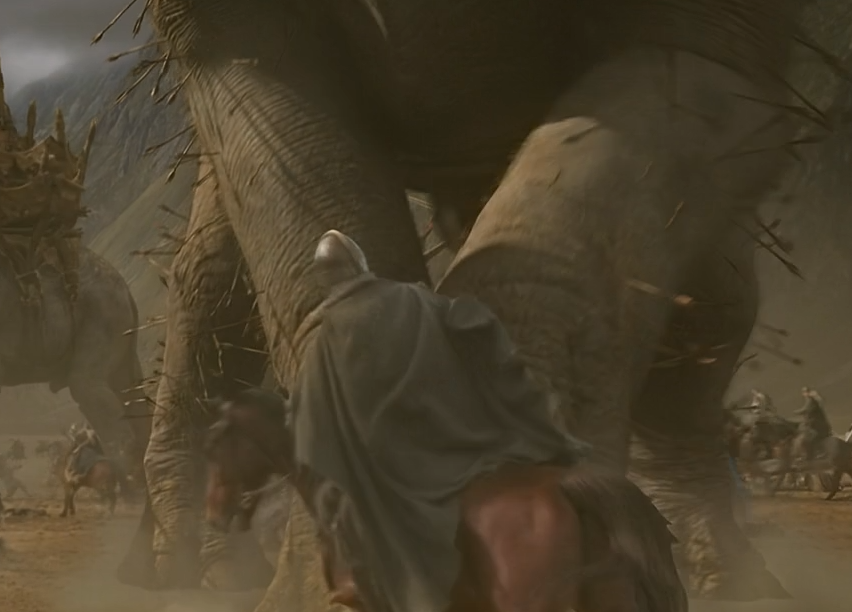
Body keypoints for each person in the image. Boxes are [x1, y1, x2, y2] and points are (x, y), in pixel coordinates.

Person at [290, 230, 588, 612]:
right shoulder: (416, 297)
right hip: (467, 446)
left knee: (362, 531)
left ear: (324, 278)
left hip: (397, 476)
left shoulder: (324, 343)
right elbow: (477, 330)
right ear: (360, 263)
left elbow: (310, 438)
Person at [795, 387, 832, 460]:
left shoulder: (811, 401)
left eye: (806, 392)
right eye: (804, 392)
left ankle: (818, 452)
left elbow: (806, 409)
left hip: (818, 425)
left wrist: (797, 412)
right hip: (814, 424)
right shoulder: (810, 401)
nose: (805, 394)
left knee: (811, 438)